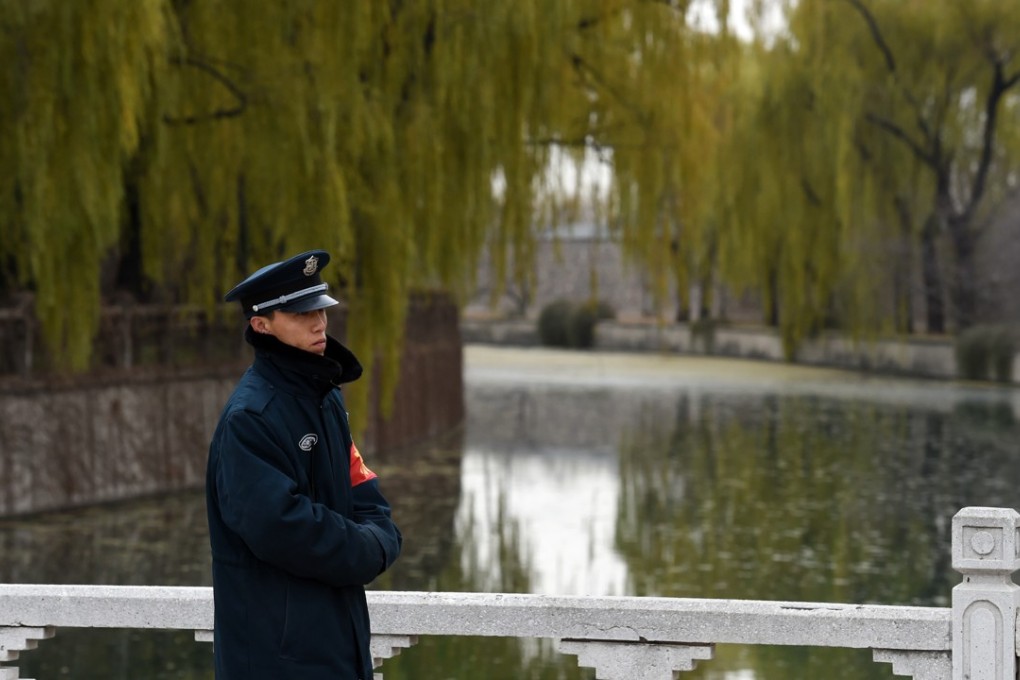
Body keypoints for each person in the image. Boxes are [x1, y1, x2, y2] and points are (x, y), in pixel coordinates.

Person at [206, 249, 402, 679]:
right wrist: (368, 549)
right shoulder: (251, 417)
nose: (319, 323)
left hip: (336, 644)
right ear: (261, 324)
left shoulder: (325, 398)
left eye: (320, 309)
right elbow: (281, 528)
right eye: (300, 314)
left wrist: (381, 537)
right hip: (276, 656)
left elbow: (363, 491)